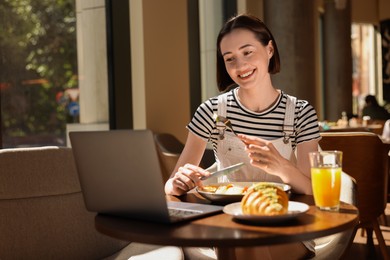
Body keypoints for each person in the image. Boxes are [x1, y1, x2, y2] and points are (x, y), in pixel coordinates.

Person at [165, 14, 320, 259]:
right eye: (230, 59)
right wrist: (177, 182)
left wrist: (280, 165)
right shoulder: (211, 112)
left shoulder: (300, 112)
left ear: (269, 49)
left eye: (248, 52)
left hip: (286, 226)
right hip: (227, 225)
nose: (240, 66)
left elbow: (314, 192)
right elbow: (171, 184)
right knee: (239, 236)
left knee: (247, 240)